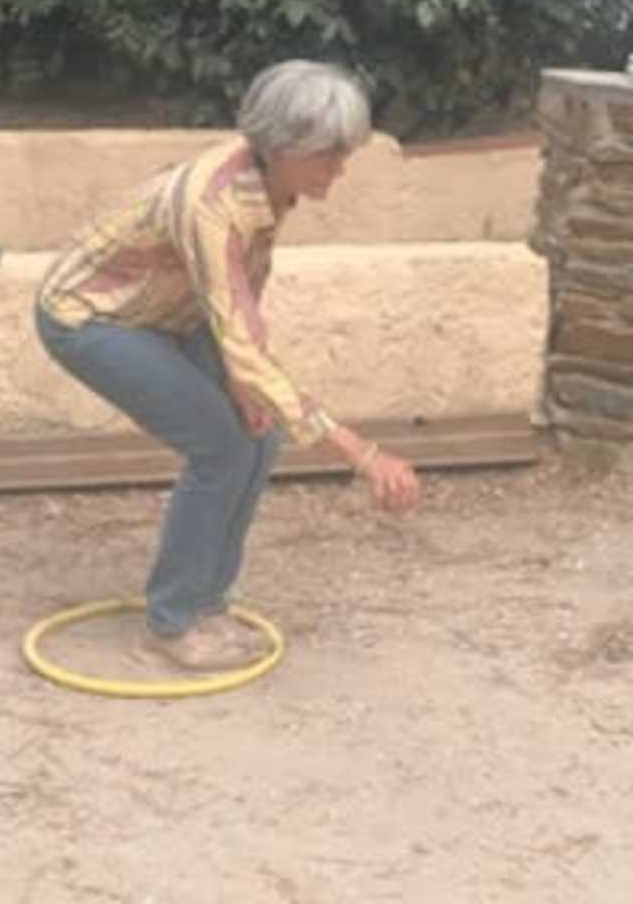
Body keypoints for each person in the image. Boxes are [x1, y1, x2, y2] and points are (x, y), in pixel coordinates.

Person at [34, 59, 420, 672]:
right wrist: (362, 454)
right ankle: (170, 624)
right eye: (329, 155)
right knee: (218, 448)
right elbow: (238, 331)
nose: (340, 170)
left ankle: (206, 604)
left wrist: (245, 381)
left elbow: (244, 299)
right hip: (92, 317)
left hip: (173, 312)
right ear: (285, 146)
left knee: (258, 438)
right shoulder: (211, 203)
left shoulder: (272, 182)